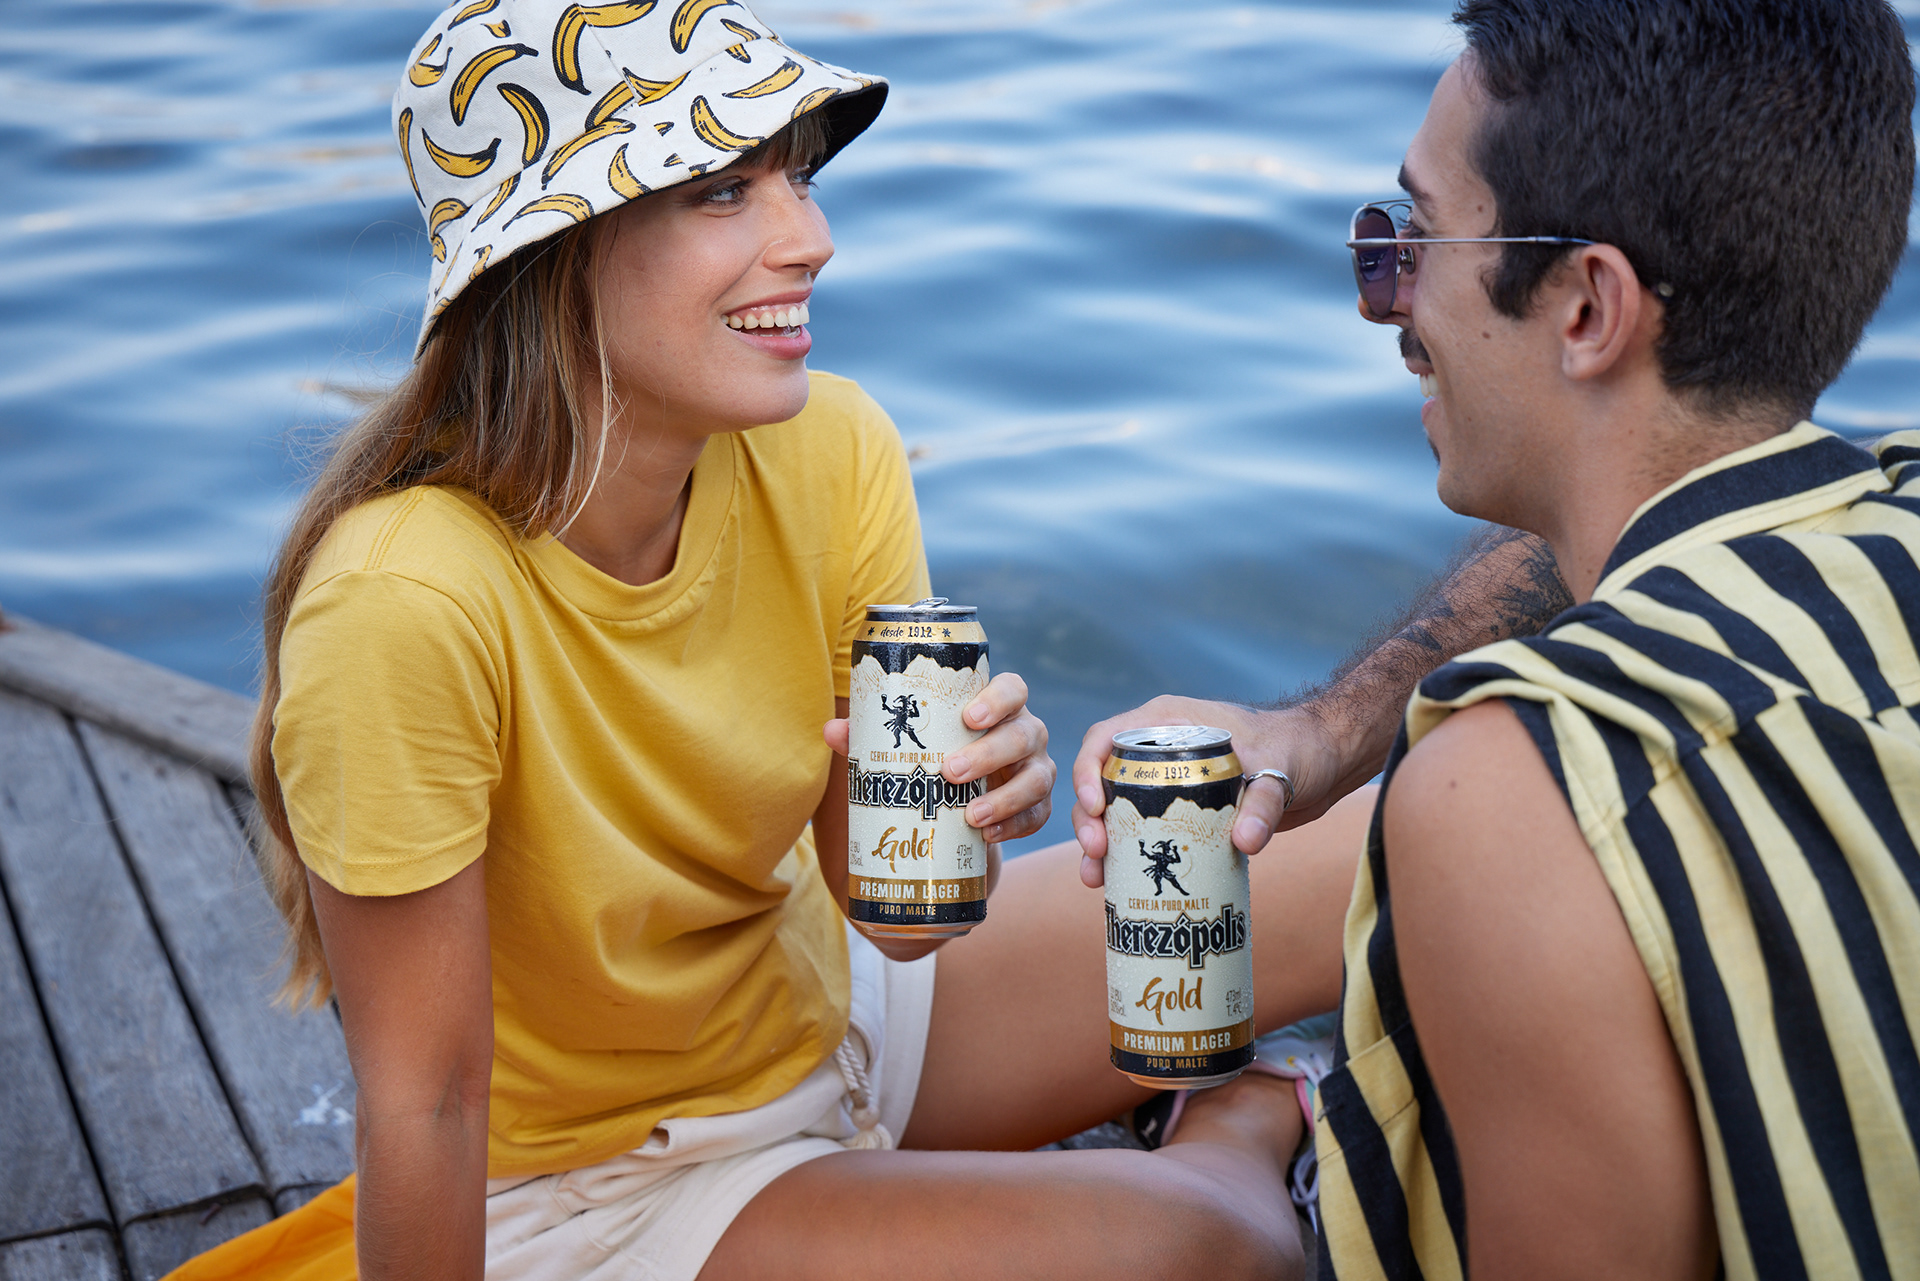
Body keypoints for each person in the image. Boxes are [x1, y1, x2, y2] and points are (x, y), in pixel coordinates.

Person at [212, 4, 1344, 1280]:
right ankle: (1244, 1122)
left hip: (828, 1012)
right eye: (724, 190)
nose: (810, 238)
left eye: (798, 177)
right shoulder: (404, 602)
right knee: (1213, 1248)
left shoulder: (833, 445)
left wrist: (969, 816)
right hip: (615, 1182)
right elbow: (427, 1102)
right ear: (553, 252)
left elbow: (891, 920)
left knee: (1373, 842)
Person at [1073, 1, 1919, 1277]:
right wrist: (1327, 731)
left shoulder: (1514, 789)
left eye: (1416, 238)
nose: (1390, 301)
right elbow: (1617, 537)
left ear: (1586, 309)